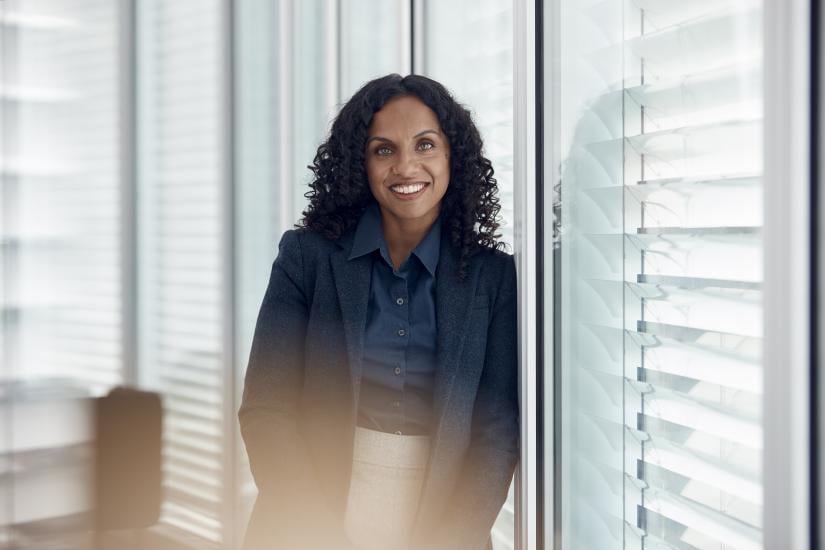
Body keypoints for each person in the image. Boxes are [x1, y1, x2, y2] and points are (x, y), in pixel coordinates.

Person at [238, 73, 519, 550]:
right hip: (306, 516)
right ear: (359, 164)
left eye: (425, 145)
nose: (407, 167)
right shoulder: (306, 257)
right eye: (383, 150)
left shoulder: (494, 279)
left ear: (453, 156)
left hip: (442, 523)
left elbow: (496, 431)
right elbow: (267, 408)